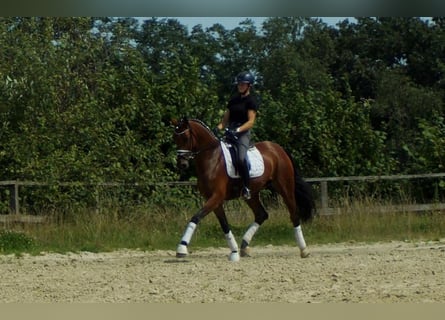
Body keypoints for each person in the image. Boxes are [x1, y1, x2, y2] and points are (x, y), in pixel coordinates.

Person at [215, 71, 259, 200]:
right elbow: (224, 122)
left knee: (240, 158)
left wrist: (238, 130)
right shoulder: (233, 100)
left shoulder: (251, 101)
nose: (240, 86)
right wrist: (216, 129)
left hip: (243, 133)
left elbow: (250, 122)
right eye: (239, 84)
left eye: (242, 84)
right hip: (230, 131)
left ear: (249, 85)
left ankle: (246, 187)